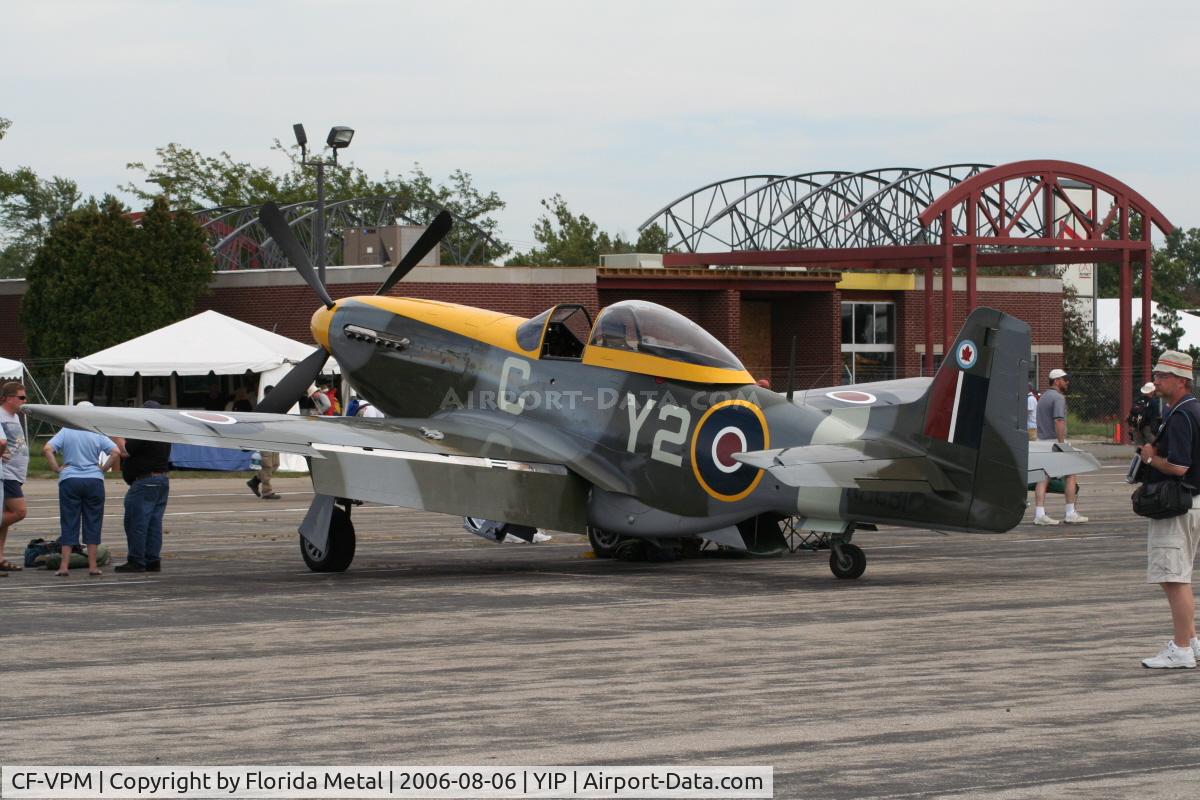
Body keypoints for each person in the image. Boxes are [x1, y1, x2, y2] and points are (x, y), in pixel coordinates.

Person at [1134, 350, 1200, 669]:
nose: (1157, 381)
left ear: (1180, 380)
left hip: (1178, 502)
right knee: (1176, 574)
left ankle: (1182, 649)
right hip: (1190, 502)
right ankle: (1192, 641)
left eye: (1162, 376)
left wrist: (1149, 458)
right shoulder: (1191, 409)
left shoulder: (1182, 414)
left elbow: (1179, 467)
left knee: (1174, 577)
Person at [43, 407, 120, 576]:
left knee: (69, 521)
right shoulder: (97, 433)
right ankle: (92, 566)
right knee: (93, 521)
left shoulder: (66, 431)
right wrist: (103, 468)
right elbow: (115, 451)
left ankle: (64, 566)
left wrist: (57, 468)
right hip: (94, 480)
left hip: (70, 480)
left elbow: (47, 448)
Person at [116, 400, 173, 573]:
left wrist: (115, 435)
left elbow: (125, 451)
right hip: (161, 480)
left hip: (145, 481)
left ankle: (136, 560)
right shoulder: (164, 432)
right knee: (154, 522)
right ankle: (152, 559)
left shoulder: (145, 431)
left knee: (136, 522)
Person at [1033, 368, 1087, 525]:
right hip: (1054, 442)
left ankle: (1039, 514)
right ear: (1056, 381)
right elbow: (1058, 420)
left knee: (1041, 478)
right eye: (1064, 379)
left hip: (1042, 441)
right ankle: (1070, 513)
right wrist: (1061, 443)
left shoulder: (1042, 397)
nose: (1067, 382)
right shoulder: (1058, 398)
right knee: (1071, 475)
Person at [0, 382, 30, 573]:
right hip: (7, 473)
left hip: (16, 473)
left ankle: (0, 556)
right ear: (9, 397)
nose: (24, 401)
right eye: (21, 397)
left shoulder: (15, 417)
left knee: (5, 518)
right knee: (19, 512)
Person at [246, 386, 281, 500]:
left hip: (275, 439)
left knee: (275, 464)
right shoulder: (262, 407)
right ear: (266, 395)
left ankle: (255, 481)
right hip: (265, 440)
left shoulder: (277, 406)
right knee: (267, 466)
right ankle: (267, 492)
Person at [1128, 381, 1164, 446]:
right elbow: (1155, 416)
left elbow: (1132, 411)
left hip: (1136, 426)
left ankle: (1139, 455)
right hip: (1148, 427)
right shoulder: (1153, 402)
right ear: (1151, 392)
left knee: (1139, 445)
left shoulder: (1137, 400)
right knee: (1154, 444)